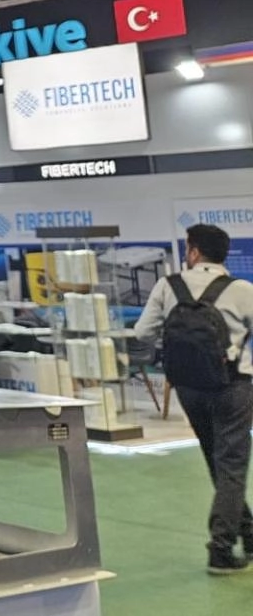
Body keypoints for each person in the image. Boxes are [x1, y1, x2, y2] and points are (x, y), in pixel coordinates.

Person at [134, 223, 253, 575]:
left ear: (195, 251)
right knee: (232, 466)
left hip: (188, 388)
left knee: (218, 463)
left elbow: (142, 332)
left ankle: (249, 533)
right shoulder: (242, 289)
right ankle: (221, 548)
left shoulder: (167, 286)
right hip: (232, 386)